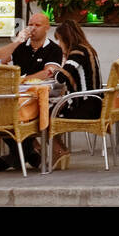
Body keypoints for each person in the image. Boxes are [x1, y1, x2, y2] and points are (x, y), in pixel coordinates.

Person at [0, 12, 62, 170]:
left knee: (16, 114)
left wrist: (23, 79)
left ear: (47, 28)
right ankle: (26, 154)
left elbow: (47, 72)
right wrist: (17, 41)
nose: (33, 28)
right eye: (30, 24)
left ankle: (16, 157)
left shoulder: (54, 49)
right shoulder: (21, 46)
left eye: (37, 25)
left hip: (38, 98)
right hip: (16, 96)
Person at [43, 20, 102, 170]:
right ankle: (60, 151)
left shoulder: (77, 52)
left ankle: (59, 151)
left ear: (65, 38)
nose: (59, 44)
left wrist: (54, 70)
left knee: (44, 115)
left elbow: (62, 78)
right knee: (50, 111)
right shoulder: (88, 50)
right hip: (94, 103)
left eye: (60, 40)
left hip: (85, 107)